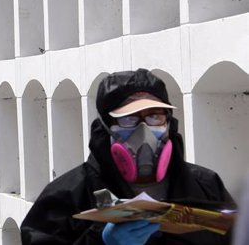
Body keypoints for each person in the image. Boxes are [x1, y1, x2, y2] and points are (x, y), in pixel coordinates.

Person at [20, 68, 235, 244]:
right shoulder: (67, 197)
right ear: (105, 128)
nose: (144, 131)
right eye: (128, 119)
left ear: (168, 123)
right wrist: (101, 242)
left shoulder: (206, 187)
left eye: (154, 117)